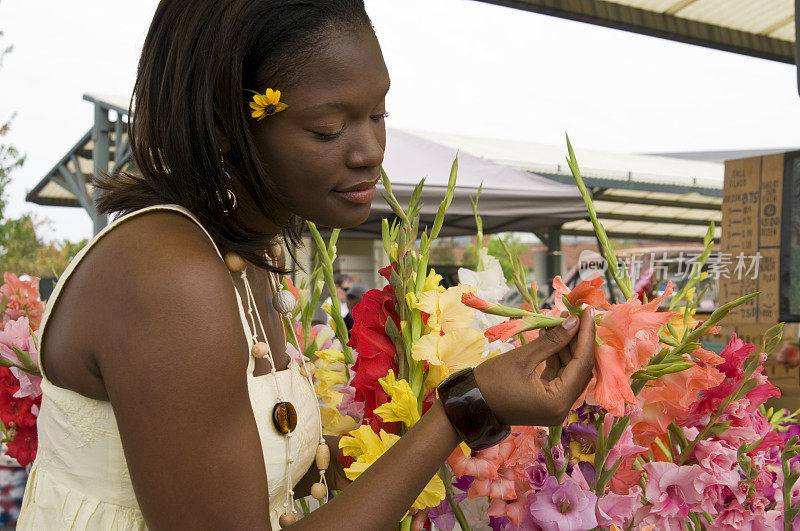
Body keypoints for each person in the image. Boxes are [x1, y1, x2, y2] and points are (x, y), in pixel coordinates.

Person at [17, 1, 597, 529]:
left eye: (379, 113)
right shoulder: (171, 277)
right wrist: (464, 407)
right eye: (328, 128)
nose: (371, 150)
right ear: (224, 124)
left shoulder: (247, 259)